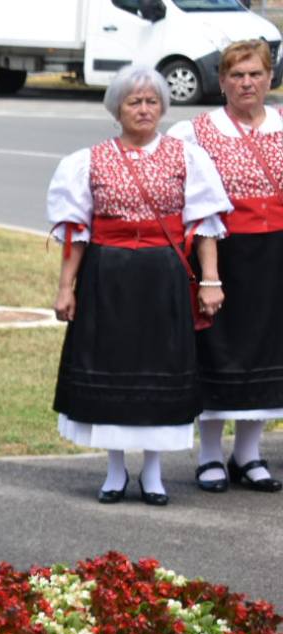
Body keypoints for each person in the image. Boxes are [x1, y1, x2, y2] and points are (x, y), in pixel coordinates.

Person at [48, 65, 231, 506]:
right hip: (107, 278)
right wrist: (66, 287)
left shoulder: (187, 158)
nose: (144, 109)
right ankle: (115, 470)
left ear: (163, 107)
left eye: (152, 101)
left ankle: (152, 472)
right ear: (118, 109)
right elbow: (76, 233)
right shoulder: (87, 161)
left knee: (159, 370)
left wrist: (210, 281)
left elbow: (204, 225)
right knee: (112, 369)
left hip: (162, 277)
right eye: (134, 102)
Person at [168, 40, 283, 494]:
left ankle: (249, 453)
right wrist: (208, 276)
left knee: (269, 351)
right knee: (218, 349)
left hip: (275, 256)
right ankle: (210, 454)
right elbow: (188, 202)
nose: (246, 83)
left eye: (255, 74)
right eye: (236, 75)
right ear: (222, 82)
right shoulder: (196, 132)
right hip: (221, 254)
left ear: (269, 78)